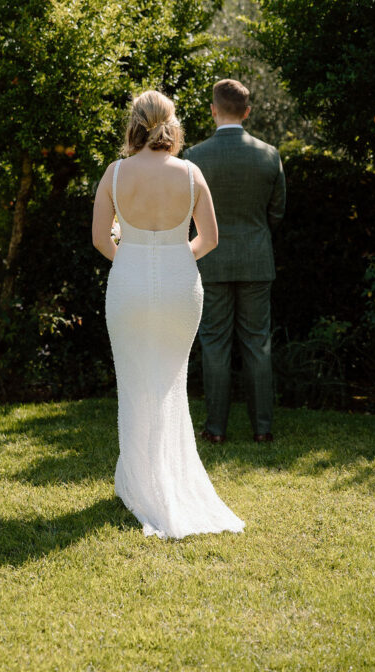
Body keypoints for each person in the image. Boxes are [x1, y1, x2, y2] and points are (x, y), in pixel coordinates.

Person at [92, 90, 244, 540]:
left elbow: (102, 239)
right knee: (170, 382)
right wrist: (176, 261)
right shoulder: (191, 172)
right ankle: (158, 479)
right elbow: (210, 239)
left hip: (130, 284)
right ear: (170, 125)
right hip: (181, 289)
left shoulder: (116, 173)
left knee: (137, 381)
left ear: (134, 125)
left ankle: (141, 484)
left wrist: (135, 260)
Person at [184, 79, 286, 445]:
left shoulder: (194, 157)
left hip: (209, 260)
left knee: (214, 343)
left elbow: (184, 214)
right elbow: (277, 212)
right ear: (246, 111)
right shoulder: (269, 154)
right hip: (256, 259)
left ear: (214, 110)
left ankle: (215, 429)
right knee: (258, 343)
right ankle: (262, 428)